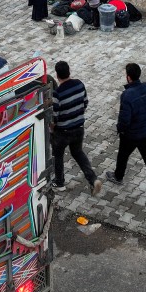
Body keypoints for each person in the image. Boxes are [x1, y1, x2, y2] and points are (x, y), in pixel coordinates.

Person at [105, 63, 146, 201]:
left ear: (128, 77)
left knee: (123, 155)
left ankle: (118, 176)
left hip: (131, 135)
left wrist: (120, 129)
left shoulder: (127, 95)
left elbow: (124, 119)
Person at [50, 61, 100, 193]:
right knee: (78, 153)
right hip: (79, 128)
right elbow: (85, 103)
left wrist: (51, 128)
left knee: (58, 155)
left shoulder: (57, 93)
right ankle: (93, 179)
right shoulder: (79, 84)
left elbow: (55, 117)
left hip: (63, 132)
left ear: (57, 75)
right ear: (69, 71)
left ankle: (60, 182)